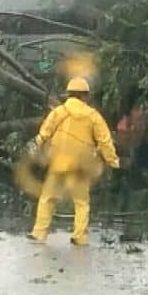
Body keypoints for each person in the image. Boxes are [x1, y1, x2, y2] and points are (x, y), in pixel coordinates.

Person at [29, 77, 119, 246]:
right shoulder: (93, 116)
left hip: (58, 163)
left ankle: (39, 233)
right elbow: (105, 141)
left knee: (48, 198)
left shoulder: (58, 112)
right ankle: (80, 237)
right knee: (81, 202)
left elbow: (44, 134)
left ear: (69, 93)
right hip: (80, 165)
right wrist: (113, 162)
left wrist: (34, 149)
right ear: (86, 95)